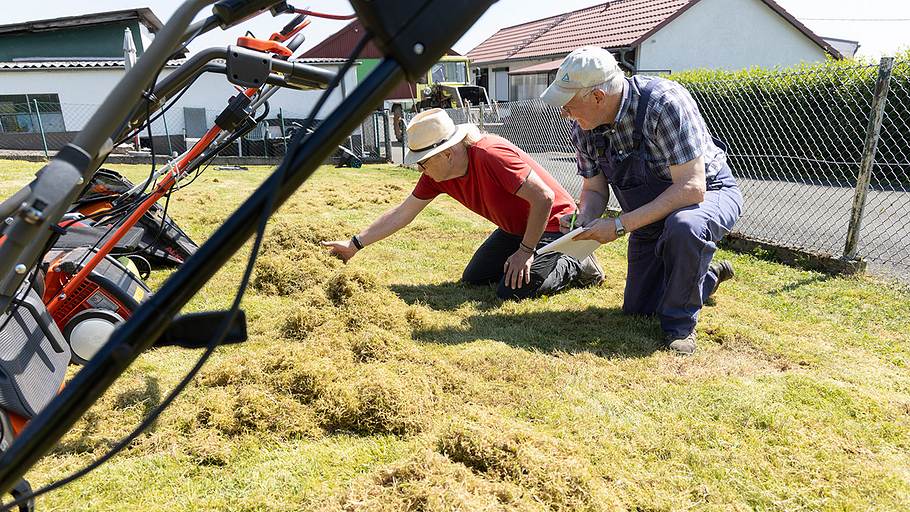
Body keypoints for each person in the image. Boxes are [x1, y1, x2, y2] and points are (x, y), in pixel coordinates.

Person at [540, 46, 743, 355]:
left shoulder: (664, 103)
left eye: (568, 104)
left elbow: (691, 188)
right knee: (639, 310)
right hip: (649, 214)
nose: (564, 112)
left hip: (708, 194)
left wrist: (620, 225)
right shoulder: (584, 128)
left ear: (597, 97)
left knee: (684, 226)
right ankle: (707, 275)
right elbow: (594, 189)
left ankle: (680, 324)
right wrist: (585, 218)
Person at [322, 108, 604, 300]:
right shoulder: (437, 175)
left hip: (553, 224)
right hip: (514, 228)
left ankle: (574, 261)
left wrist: (526, 251)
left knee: (515, 291)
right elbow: (402, 213)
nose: (420, 168)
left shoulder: (491, 154)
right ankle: (535, 257)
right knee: (475, 278)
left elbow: (544, 198)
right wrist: (354, 245)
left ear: (446, 153)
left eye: (423, 161)